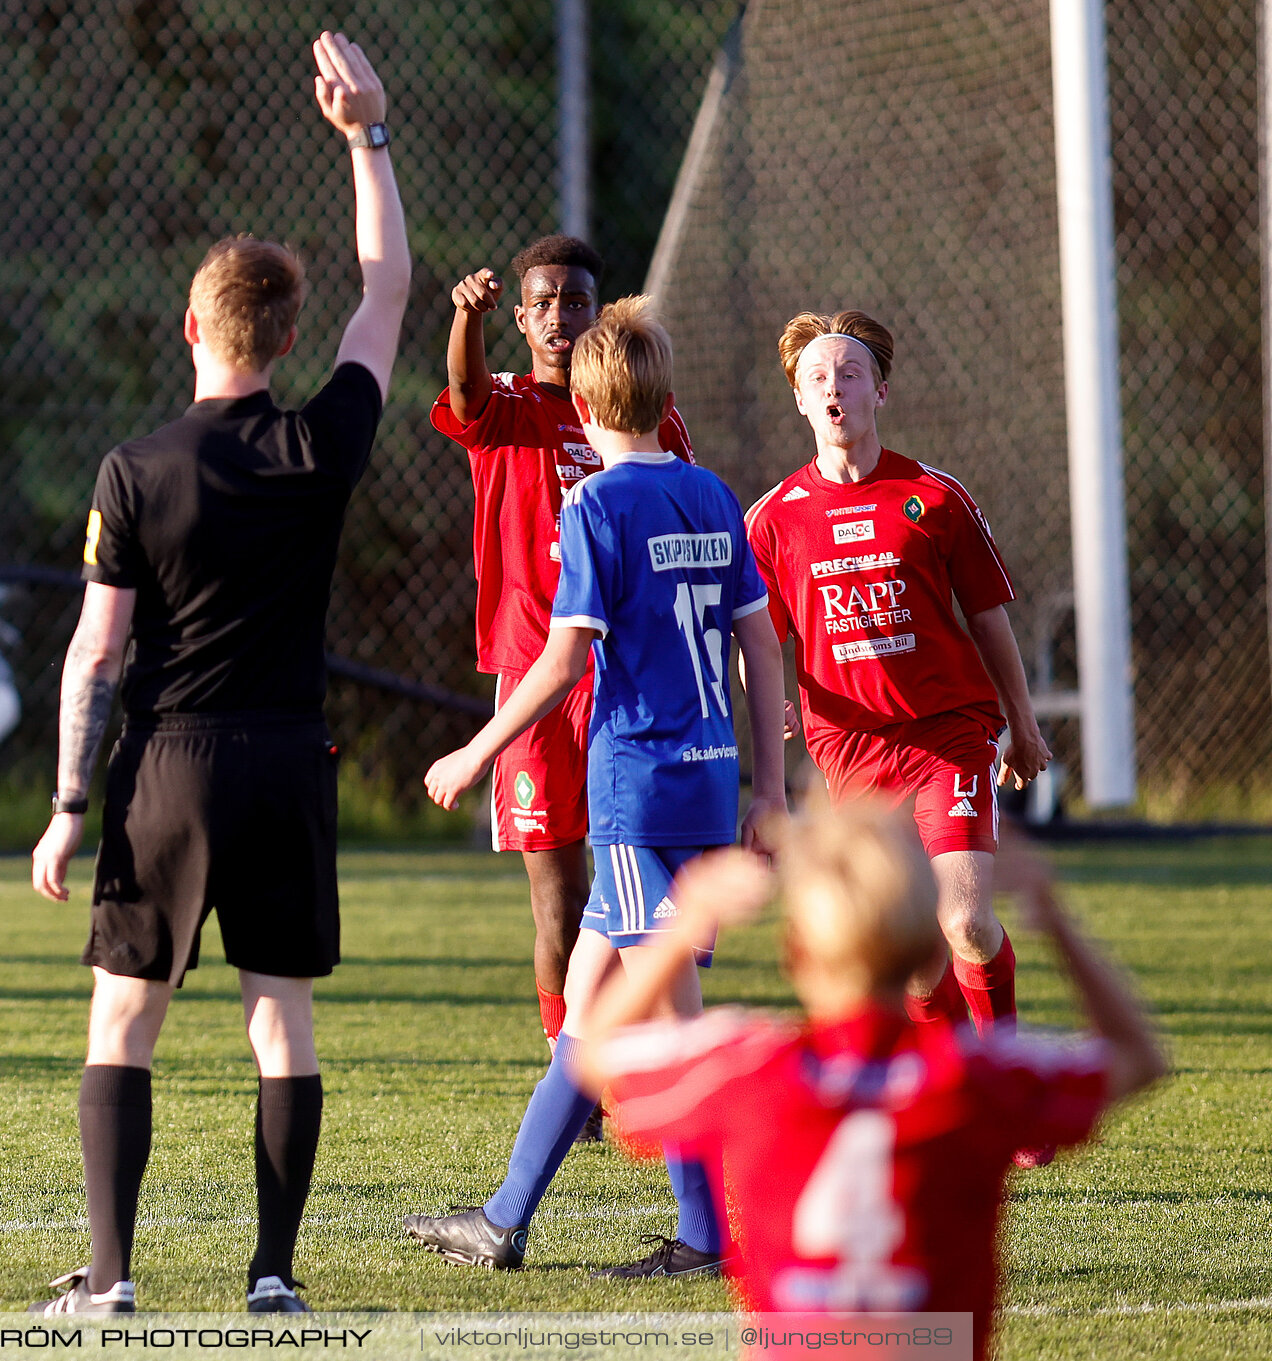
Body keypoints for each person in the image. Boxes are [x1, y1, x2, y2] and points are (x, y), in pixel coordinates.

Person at [26, 32, 409, 1318]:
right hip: (289, 759)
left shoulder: (135, 470)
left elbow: (98, 649)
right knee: (278, 1015)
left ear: (192, 326)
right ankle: (273, 1272)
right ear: (290, 333)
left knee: (122, 1021)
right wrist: (368, 137)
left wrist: (72, 800)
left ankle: (115, 1276)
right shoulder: (318, 440)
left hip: (171, 763)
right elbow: (392, 291)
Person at [401, 297, 786, 1280]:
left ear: (580, 400)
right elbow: (756, 638)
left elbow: (564, 657)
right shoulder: (707, 491)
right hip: (706, 781)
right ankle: (502, 1218)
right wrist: (773, 784)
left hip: (637, 792)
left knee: (668, 1021)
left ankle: (706, 1234)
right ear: (660, 393)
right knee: (587, 1009)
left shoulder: (598, 506)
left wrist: (478, 748)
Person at [574, 805, 1165, 1361]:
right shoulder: (973, 1080)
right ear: (932, 947)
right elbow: (1137, 1057)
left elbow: (593, 1053)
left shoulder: (748, 1070)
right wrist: (1052, 914)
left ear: (796, 953)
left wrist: (682, 925)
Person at [744, 312, 1052, 1086]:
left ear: (879, 390)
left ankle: (1002, 1069)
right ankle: (958, 1090)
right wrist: (774, 701)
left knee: (968, 924)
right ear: (801, 403)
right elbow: (759, 643)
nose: (834, 386)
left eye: (849, 372)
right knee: (911, 954)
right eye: (818, 377)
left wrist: (1022, 725)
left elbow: (987, 618)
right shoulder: (775, 519)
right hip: (849, 751)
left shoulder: (933, 496)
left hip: (947, 733)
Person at [433, 238, 696, 1070]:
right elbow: (464, 390)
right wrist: (462, 318)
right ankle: (570, 1071)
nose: (558, 316)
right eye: (542, 303)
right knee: (561, 896)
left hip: (630, 673)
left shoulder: (642, 416)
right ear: (520, 317)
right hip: (535, 675)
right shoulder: (505, 404)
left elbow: (687, 527)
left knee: (648, 886)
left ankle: (648, 1059)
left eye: (574, 301)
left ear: (597, 310)